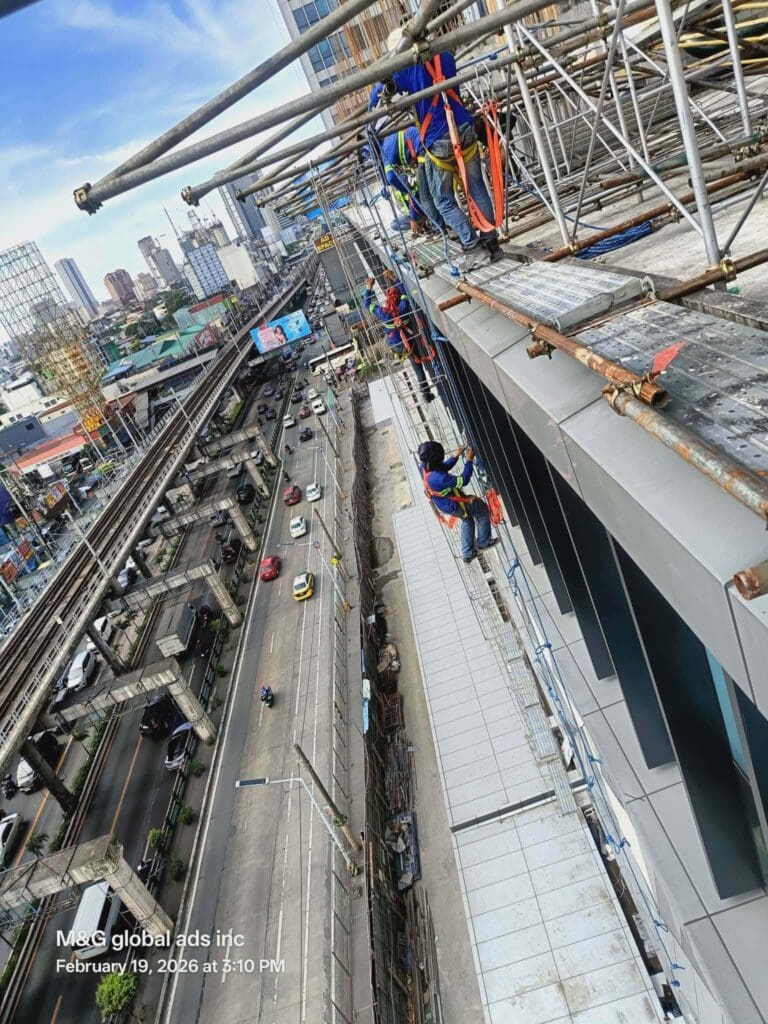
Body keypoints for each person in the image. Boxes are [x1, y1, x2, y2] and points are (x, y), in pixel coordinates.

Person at [371, 46, 502, 265]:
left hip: (438, 138)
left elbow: (378, 93)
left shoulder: (404, 69)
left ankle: (473, 247)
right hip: (464, 128)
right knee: (477, 187)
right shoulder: (445, 55)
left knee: (443, 200)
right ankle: (491, 244)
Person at [418, 440, 498, 563]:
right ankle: (484, 543)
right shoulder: (439, 478)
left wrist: (455, 456)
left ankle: (468, 553)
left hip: (445, 505)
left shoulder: (424, 466)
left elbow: (442, 467)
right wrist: (469, 461)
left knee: (467, 519)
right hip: (455, 505)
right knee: (481, 509)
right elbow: (463, 480)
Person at [362, 270, 434, 402]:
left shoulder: (384, 313)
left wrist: (369, 287)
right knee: (417, 367)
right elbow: (405, 292)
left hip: (394, 345)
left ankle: (425, 392)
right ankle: (425, 393)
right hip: (408, 344)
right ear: (398, 300)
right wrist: (393, 277)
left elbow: (367, 304)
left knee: (390, 339)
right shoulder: (403, 308)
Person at [379, 126, 445, 234]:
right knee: (395, 224)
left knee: (425, 197)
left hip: (423, 152)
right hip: (425, 150)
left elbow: (412, 192)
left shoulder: (388, 151)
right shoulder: (394, 145)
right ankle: (429, 223)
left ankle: (438, 229)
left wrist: (413, 218)